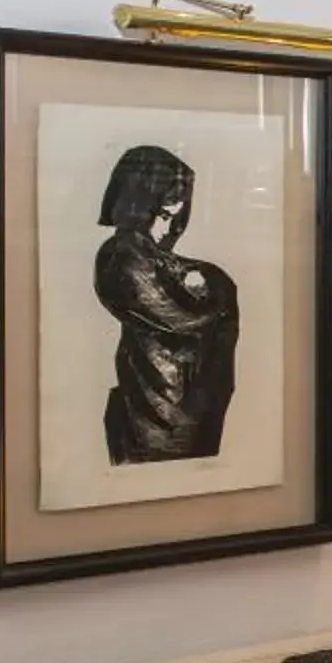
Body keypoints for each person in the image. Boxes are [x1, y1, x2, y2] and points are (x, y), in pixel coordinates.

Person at [92, 144, 238, 464]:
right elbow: (179, 318)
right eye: (166, 205)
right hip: (154, 411)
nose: (172, 219)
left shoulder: (157, 258)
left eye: (179, 204)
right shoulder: (122, 254)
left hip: (185, 405)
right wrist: (216, 290)